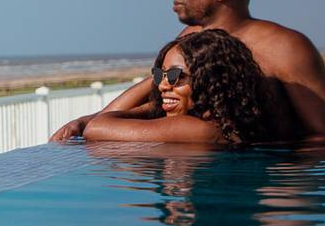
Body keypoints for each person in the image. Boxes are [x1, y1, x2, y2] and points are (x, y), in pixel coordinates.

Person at [52, 0, 325, 142]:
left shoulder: (286, 46)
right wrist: (87, 121)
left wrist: (281, 182)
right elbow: (159, 97)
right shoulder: (190, 39)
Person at [82, 29, 272, 144]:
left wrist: (150, 107)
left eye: (176, 76)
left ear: (210, 81)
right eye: (159, 75)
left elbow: (95, 127)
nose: (162, 85)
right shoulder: (228, 127)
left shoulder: (198, 128)